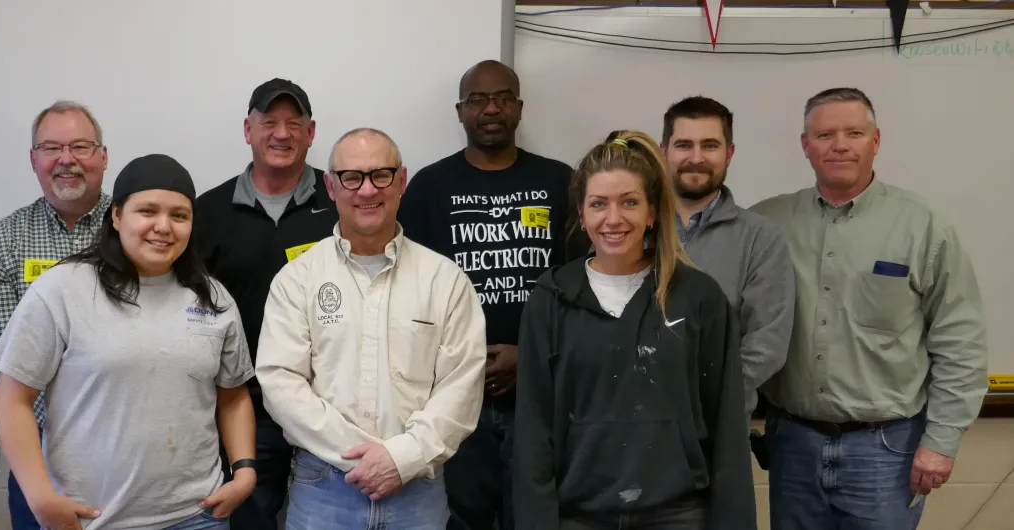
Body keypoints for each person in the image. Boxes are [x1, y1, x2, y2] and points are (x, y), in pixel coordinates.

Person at [750, 87, 988, 530]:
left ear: (875, 141)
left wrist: (942, 441)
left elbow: (961, 343)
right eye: (824, 134)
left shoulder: (924, 226)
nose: (839, 144)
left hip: (886, 452)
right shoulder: (767, 225)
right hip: (792, 447)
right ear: (805, 146)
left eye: (854, 132)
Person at [0, 154, 258, 530]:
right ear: (116, 216)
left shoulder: (212, 297)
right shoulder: (63, 289)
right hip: (92, 518)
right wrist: (39, 496)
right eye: (147, 211)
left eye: (179, 216)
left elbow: (233, 394)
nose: (163, 227)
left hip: (197, 516)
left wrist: (244, 471)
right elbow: (13, 398)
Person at [514, 130, 756, 530]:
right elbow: (533, 434)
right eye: (599, 204)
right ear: (581, 213)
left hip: (678, 514)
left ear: (651, 212)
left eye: (629, 202)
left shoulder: (698, 297)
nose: (613, 219)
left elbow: (727, 427)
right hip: (578, 515)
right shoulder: (551, 297)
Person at [255, 128, 487, 529]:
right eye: (352, 177)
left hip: (418, 491)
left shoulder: (445, 281)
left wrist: (403, 458)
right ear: (330, 185)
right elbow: (281, 384)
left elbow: (461, 387)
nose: (366, 190)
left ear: (401, 180)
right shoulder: (298, 279)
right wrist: (367, 459)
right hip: (323, 490)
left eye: (381, 175)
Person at [397, 59, 584, 530]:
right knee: (463, 520)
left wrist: (533, 356)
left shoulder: (562, 183)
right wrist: (462, 362)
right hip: (456, 400)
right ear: (460, 111)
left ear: (520, 108)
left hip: (542, 396)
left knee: (540, 519)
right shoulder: (427, 188)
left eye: (502, 97)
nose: (491, 108)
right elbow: (407, 295)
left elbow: (584, 286)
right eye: (477, 99)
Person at [192, 77, 338, 529]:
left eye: (294, 123)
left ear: (311, 133)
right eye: (268, 122)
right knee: (250, 518)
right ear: (247, 130)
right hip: (245, 406)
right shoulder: (207, 212)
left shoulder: (343, 203)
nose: (281, 134)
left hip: (332, 400)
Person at [0, 100, 112, 530]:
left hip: (132, 455)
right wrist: (73, 424)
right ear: (34, 160)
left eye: (81, 146)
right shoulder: (3, 244)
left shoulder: (137, 230)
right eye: (51, 148)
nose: (66, 159)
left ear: (103, 157)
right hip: (41, 459)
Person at [659, 96, 795, 423]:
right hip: (632, 427)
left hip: (717, 428)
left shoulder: (760, 238)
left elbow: (766, 345)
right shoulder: (633, 227)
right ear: (663, 151)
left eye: (709, 145)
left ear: (729, 153)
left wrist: (711, 398)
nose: (695, 158)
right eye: (683, 145)